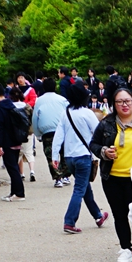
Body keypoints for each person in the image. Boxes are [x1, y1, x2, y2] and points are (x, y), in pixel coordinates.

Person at [93, 87, 132, 262]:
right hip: (112, 177)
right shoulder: (106, 124)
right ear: (114, 104)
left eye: (128, 101)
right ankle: (125, 248)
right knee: (119, 214)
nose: (124, 105)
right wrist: (104, 151)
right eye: (120, 101)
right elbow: (94, 144)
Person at [51, 82, 108, 235]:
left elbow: (59, 135)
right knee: (79, 189)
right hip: (83, 155)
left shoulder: (66, 113)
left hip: (69, 157)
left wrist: (54, 155)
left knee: (84, 188)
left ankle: (98, 216)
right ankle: (69, 221)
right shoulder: (87, 113)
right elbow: (99, 132)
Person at [0, 83, 29, 201]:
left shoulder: (0, 107)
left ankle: (19, 193)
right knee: (14, 166)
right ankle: (13, 192)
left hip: (7, 141)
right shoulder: (10, 104)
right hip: (16, 139)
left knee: (12, 168)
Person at [32, 78, 68, 187]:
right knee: (64, 153)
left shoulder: (39, 101)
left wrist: (37, 134)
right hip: (62, 130)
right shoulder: (62, 99)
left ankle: (58, 178)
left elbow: (35, 118)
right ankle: (66, 175)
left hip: (47, 131)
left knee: (51, 155)